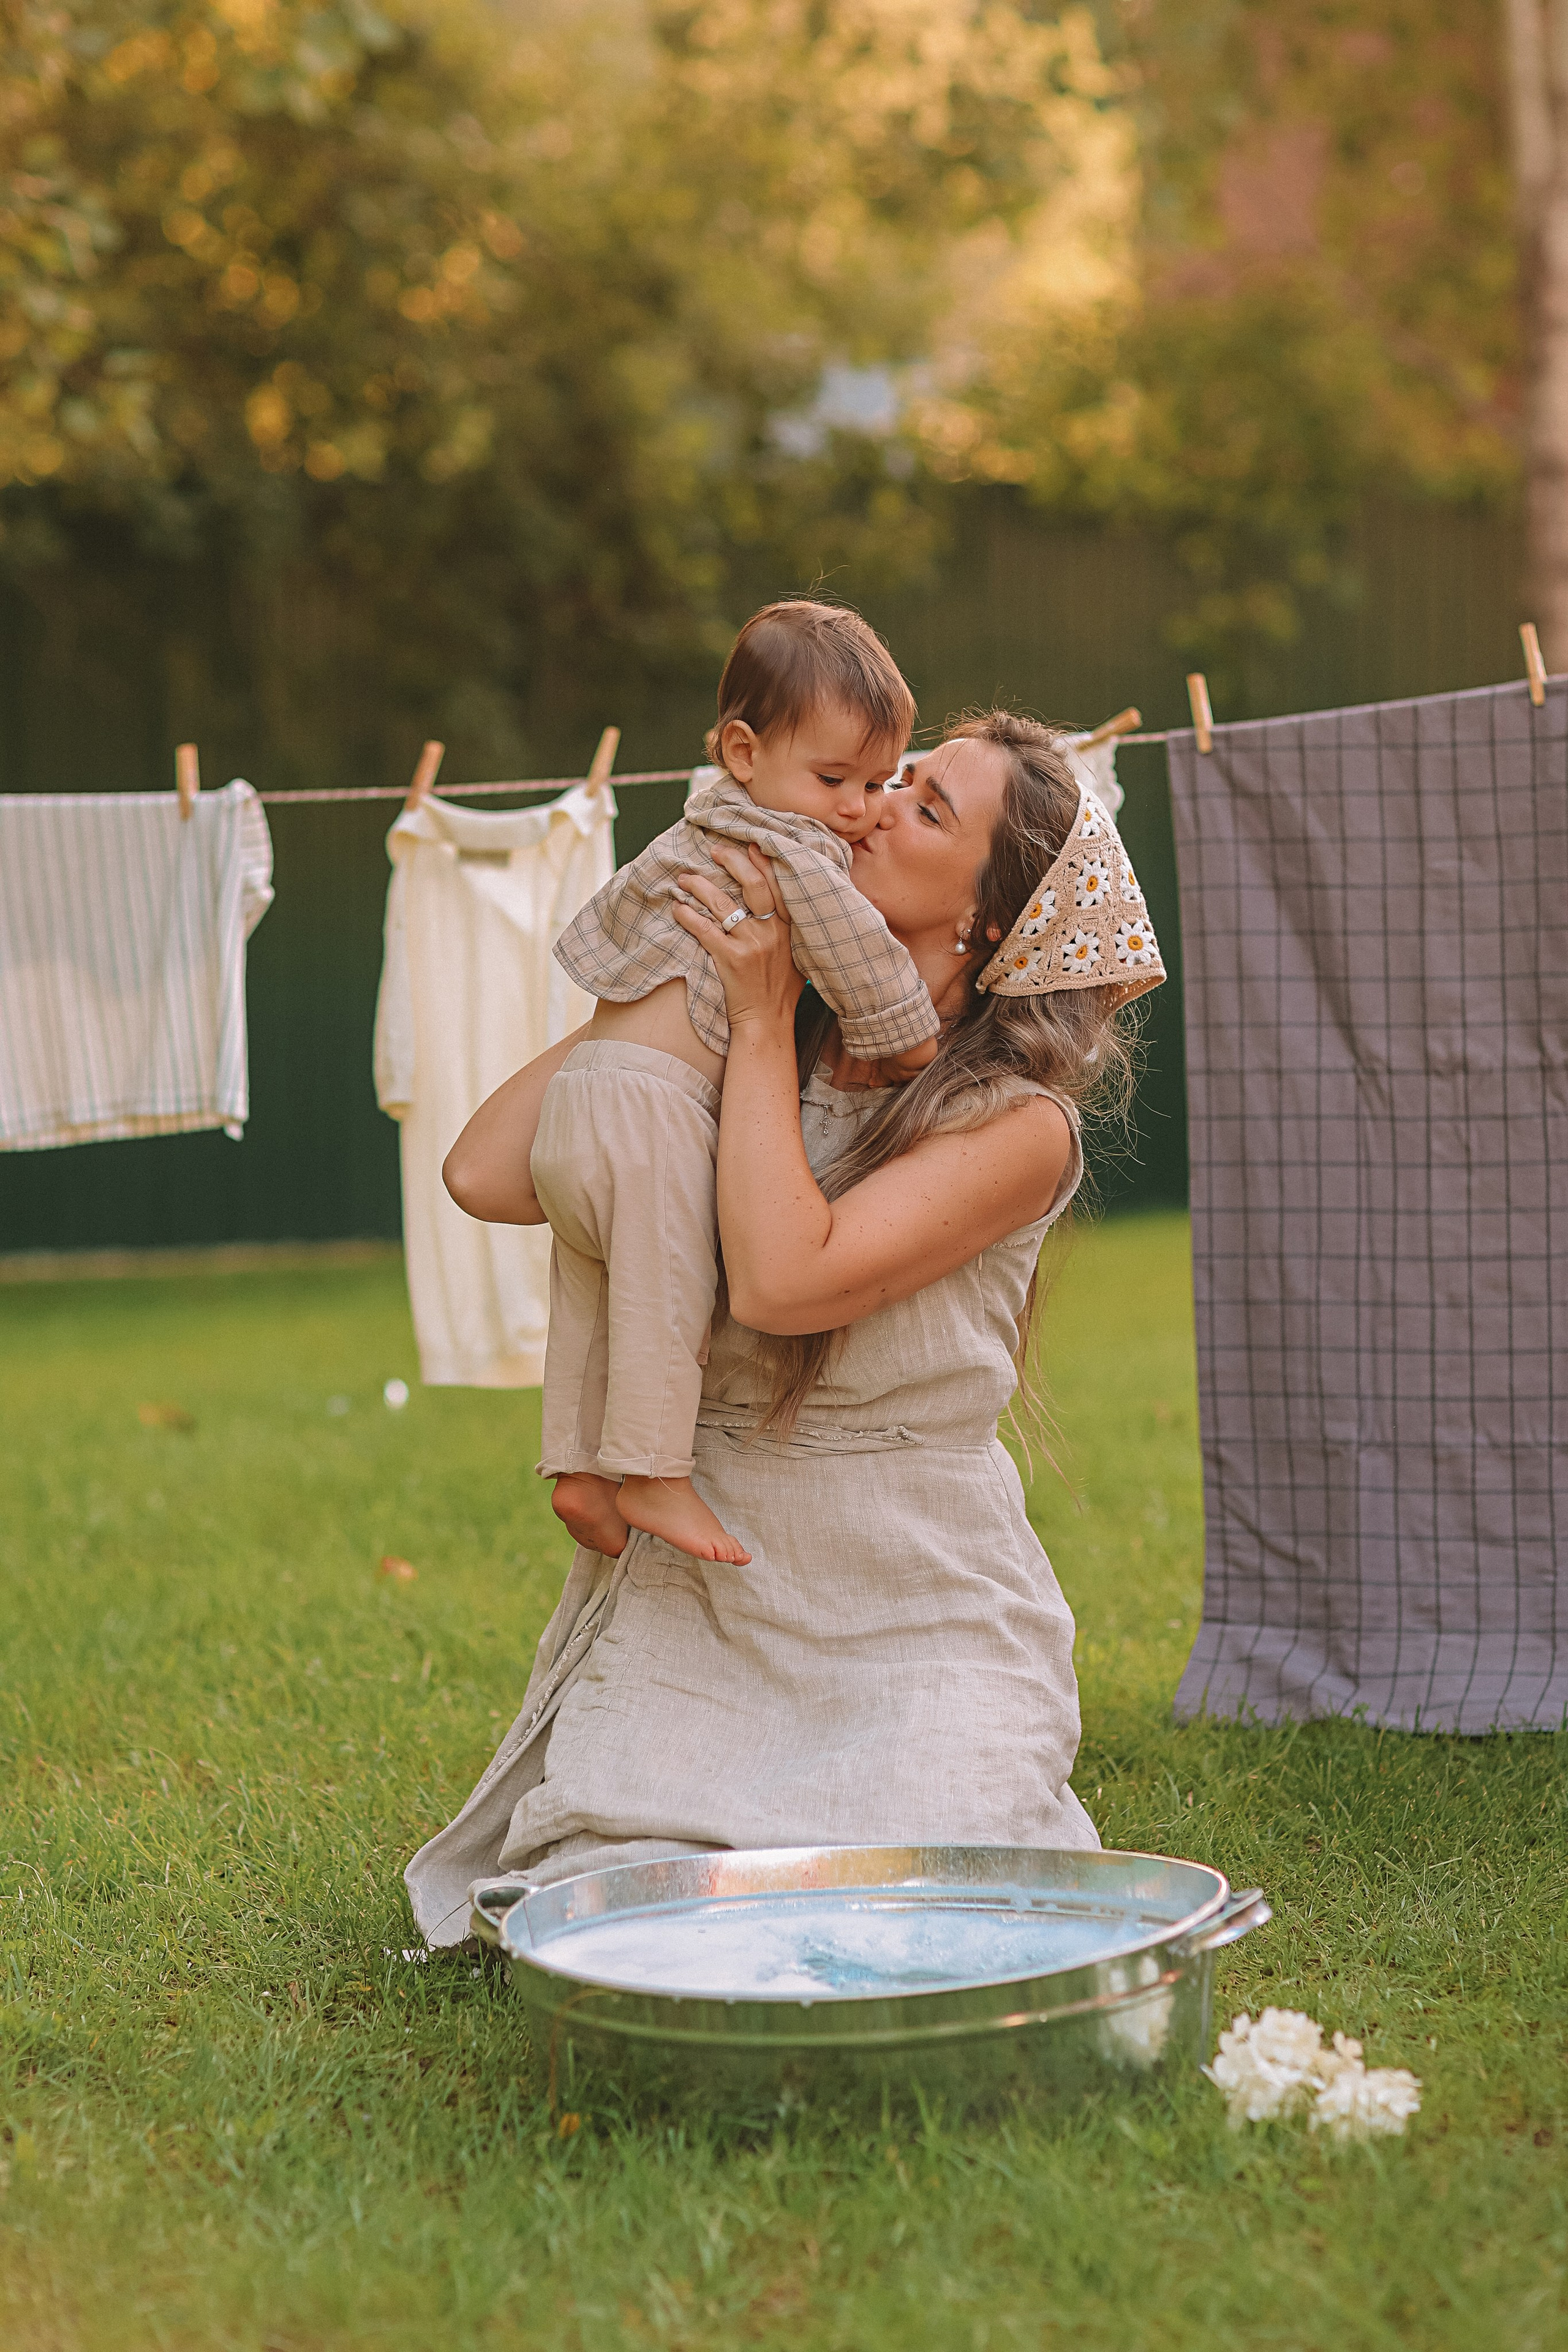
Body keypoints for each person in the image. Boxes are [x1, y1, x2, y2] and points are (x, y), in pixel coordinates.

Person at [405, 711, 1164, 1951]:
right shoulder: (750, 1006)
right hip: (712, 1588)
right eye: (888, 781)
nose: (866, 808)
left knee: (948, 1880)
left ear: (989, 920)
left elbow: (778, 1281)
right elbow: (487, 1171)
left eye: (923, 809)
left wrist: (757, 1023)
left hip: (912, 1592)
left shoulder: (1014, 1127)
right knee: (621, 1890)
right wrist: (686, 966)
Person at [536, 602, 940, 1570]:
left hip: (580, 1092)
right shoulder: (790, 852)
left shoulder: (700, 824)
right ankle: (653, 1476)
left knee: (595, 1291)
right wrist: (907, 1039)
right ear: (743, 751)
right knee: (668, 1292)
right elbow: (863, 962)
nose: (858, 807)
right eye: (835, 778)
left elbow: (610, 925)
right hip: (655, 1108)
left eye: (881, 783)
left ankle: (578, 1468)